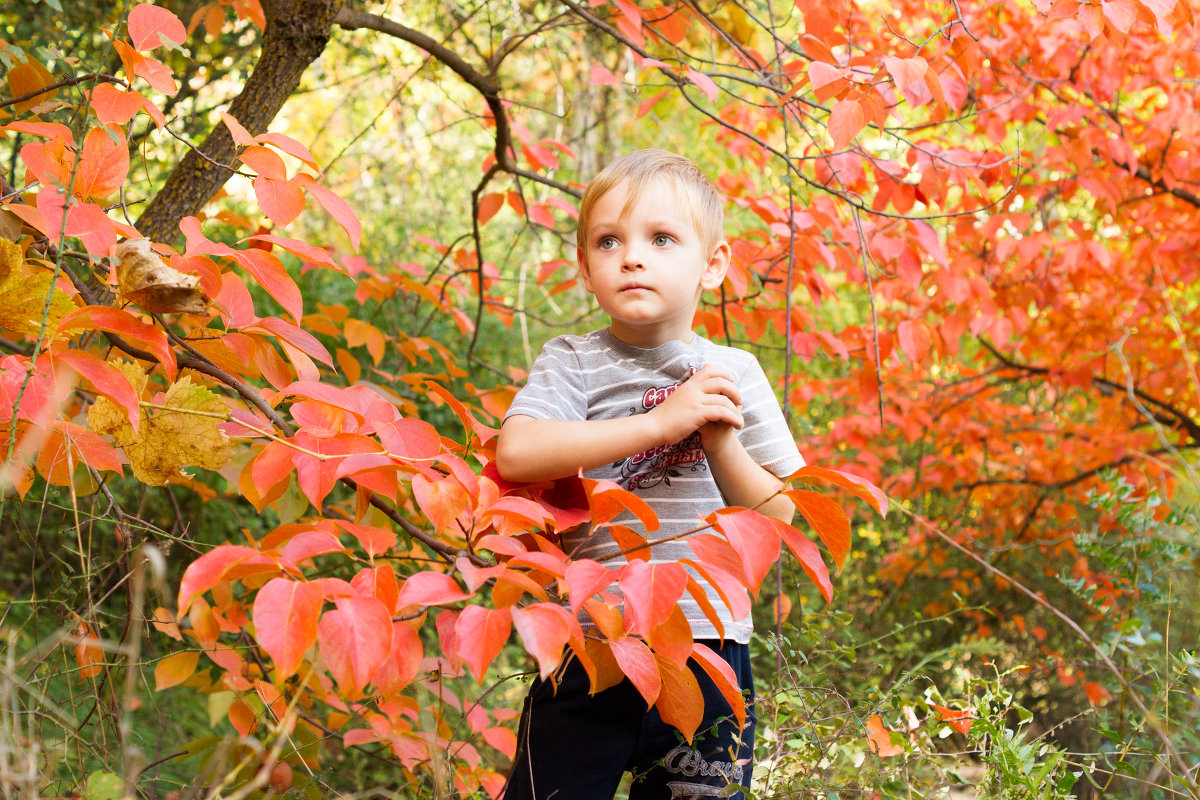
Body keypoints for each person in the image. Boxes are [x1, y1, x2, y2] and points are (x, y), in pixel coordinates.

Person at [495, 149, 805, 800]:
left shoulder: (736, 372)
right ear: (585, 266)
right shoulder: (574, 363)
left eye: (662, 239)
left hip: (708, 644)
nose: (633, 257)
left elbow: (778, 516)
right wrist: (662, 424)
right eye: (609, 241)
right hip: (594, 643)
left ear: (712, 265)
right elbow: (517, 454)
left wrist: (720, 443)